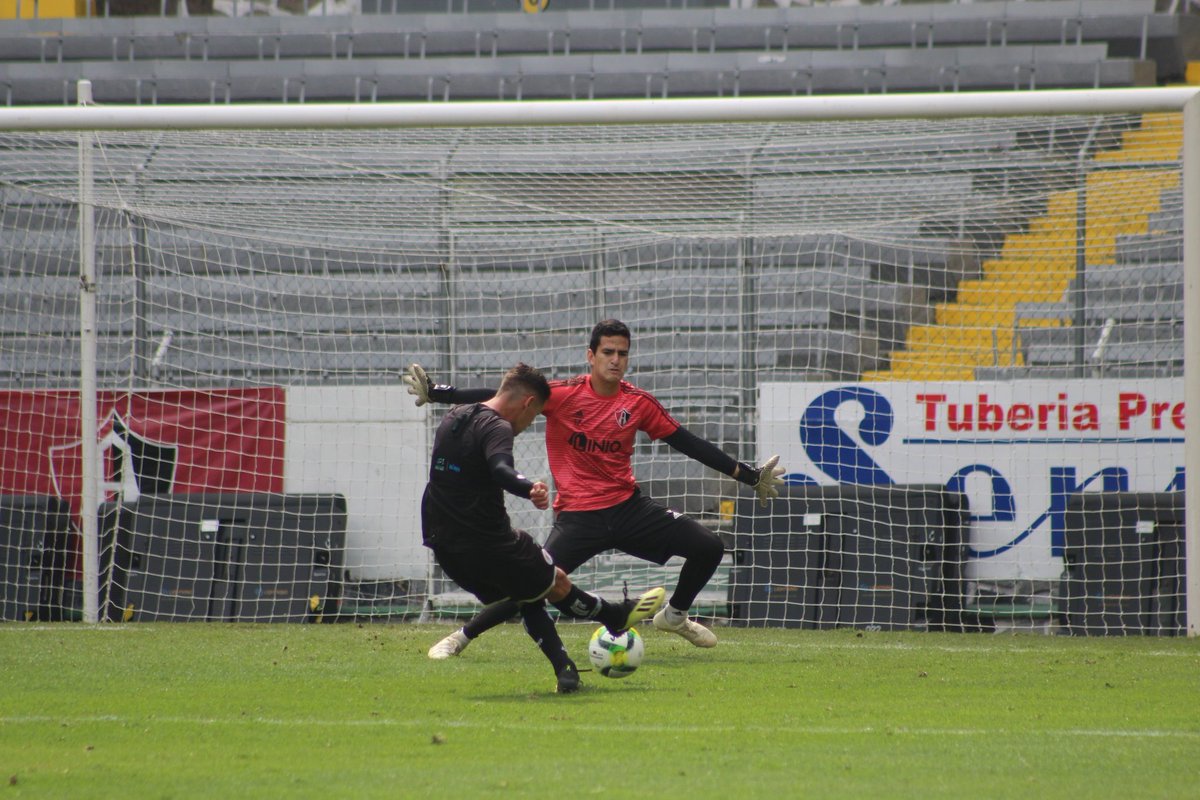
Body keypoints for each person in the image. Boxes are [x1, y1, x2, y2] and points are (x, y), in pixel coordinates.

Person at [406, 319, 785, 660]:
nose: (615, 360)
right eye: (608, 352)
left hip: (628, 509)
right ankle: (460, 637)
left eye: (622, 353)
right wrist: (440, 393)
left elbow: (687, 442)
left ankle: (674, 616)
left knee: (709, 547)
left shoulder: (637, 403)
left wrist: (747, 475)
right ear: (591, 355)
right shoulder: (563, 395)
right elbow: (503, 394)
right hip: (578, 518)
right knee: (533, 582)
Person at [420, 361, 666, 694]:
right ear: (527, 403)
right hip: (490, 543)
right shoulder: (498, 427)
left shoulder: (455, 417)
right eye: (535, 415)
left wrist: (439, 392)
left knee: (528, 591)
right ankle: (613, 615)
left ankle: (566, 670)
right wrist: (528, 488)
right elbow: (502, 468)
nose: (528, 423)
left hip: (444, 545)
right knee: (555, 582)